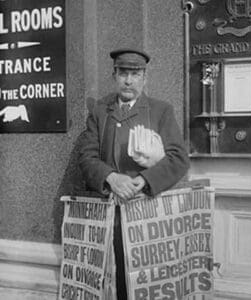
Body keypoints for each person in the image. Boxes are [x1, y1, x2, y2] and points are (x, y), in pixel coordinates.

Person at [78, 48, 190, 299]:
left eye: (135, 74)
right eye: (123, 74)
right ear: (114, 75)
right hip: (112, 214)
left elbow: (179, 159)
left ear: (144, 78)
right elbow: (86, 157)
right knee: (115, 279)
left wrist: (144, 181)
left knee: (149, 279)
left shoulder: (160, 110)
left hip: (148, 214)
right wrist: (110, 177)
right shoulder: (100, 111)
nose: (129, 81)